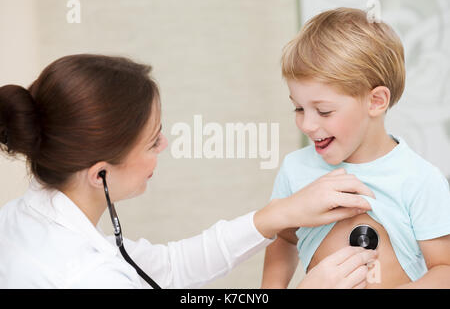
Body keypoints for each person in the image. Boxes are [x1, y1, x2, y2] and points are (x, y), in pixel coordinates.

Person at [0, 54, 377, 289]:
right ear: (100, 174)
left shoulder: (24, 218)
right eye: (152, 141)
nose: (164, 145)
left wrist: (277, 215)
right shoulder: (84, 277)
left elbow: (170, 268)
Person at [261, 8, 450, 289]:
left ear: (375, 101)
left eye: (324, 111)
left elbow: (444, 269)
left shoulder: (419, 179)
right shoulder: (296, 169)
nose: (308, 124)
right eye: (299, 108)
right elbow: (284, 240)